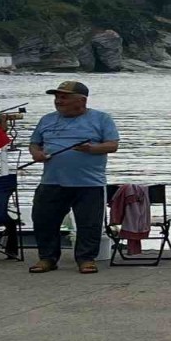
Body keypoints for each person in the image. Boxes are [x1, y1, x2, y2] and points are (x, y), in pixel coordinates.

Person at [27, 81, 119, 274]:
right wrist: (36, 154)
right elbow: (34, 144)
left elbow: (112, 145)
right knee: (44, 221)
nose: (59, 101)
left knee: (89, 223)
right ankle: (47, 259)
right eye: (57, 97)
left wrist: (92, 149)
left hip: (89, 183)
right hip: (51, 181)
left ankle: (86, 259)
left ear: (82, 100)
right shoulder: (46, 120)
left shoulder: (101, 119)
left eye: (64, 97)